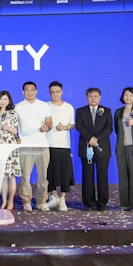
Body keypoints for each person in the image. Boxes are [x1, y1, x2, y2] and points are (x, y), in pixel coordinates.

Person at [15, 81, 52, 212]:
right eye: (27, 90)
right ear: (23, 92)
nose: (29, 92)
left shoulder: (44, 105)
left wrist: (46, 127)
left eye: (32, 90)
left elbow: (49, 123)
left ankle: (41, 201)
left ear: (36, 91)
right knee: (25, 176)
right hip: (25, 146)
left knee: (43, 176)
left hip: (42, 145)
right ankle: (26, 201)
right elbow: (14, 126)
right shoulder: (17, 107)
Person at [75, 87, 113, 211]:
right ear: (87, 97)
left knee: (102, 176)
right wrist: (89, 138)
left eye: (95, 96)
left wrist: (96, 138)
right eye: (90, 96)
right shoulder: (80, 111)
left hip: (102, 148)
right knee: (87, 176)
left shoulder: (106, 111)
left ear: (99, 97)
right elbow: (79, 126)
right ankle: (89, 203)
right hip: (86, 147)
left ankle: (102, 203)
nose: (93, 98)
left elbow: (109, 128)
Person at [45, 81, 75, 212]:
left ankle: (63, 199)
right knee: (49, 172)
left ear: (61, 92)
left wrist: (65, 127)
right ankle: (53, 197)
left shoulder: (68, 107)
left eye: (57, 92)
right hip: (48, 143)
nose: (55, 94)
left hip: (63, 145)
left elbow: (72, 125)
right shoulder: (45, 106)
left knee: (65, 173)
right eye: (52, 92)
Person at [0, 90, 21, 210]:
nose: (2, 101)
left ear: (9, 101)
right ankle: (3, 201)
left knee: (12, 176)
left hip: (10, 147)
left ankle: (11, 201)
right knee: (2, 177)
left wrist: (8, 128)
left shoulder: (13, 114)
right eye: (0, 99)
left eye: (5, 99)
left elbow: (15, 131)